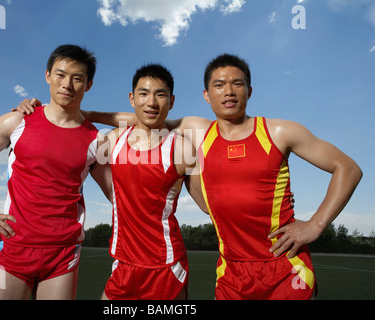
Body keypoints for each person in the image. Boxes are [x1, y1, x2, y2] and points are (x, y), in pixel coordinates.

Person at [86, 53, 362, 299]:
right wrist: (80, 113)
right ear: (206, 94)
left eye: (237, 83)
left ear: (249, 91)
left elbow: (347, 168)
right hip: (231, 272)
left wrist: (316, 224)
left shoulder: (280, 132)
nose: (228, 91)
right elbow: (144, 116)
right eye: (219, 85)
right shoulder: (198, 130)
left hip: (285, 265)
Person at [17, 64, 207, 300]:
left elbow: (209, 206)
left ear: (171, 101)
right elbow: (65, 140)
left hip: (166, 264)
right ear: (131, 98)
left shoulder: (181, 149)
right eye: (143, 93)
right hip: (122, 264)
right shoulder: (113, 141)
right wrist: (42, 111)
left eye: (161, 95)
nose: (151, 102)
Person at [0, 44, 111, 300]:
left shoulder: (96, 140)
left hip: (62, 254)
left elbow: (117, 195)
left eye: (77, 78)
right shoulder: (17, 121)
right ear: (47, 75)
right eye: (60, 75)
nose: (67, 84)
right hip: (13, 247)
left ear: (89, 84)